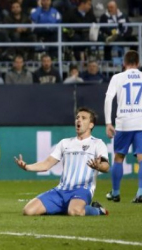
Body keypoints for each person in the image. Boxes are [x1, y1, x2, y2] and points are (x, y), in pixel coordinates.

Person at [14, 107, 109, 216]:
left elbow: (106, 166)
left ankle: (97, 210)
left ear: (91, 125)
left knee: (75, 212)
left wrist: (99, 166)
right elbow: (46, 164)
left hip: (82, 190)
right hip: (61, 190)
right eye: (77, 118)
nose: (78, 120)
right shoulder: (65, 143)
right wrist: (26, 167)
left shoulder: (97, 143)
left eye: (83, 118)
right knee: (28, 211)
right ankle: (65, 207)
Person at [104, 50, 142, 203]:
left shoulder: (117, 77)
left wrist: (108, 122)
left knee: (119, 158)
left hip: (124, 123)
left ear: (124, 63)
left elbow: (108, 99)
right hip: (141, 122)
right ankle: (140, 192)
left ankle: (115, 192)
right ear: (138, 63)